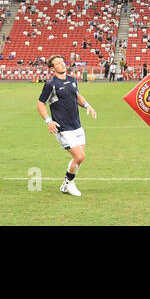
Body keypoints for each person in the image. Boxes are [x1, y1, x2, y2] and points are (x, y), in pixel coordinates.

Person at [36, 55, 98, 197]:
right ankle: (69, 183)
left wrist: (88, 106)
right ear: (52, 68)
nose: (62, 64)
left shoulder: (72, 80)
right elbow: (40, 104)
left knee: (79, 158)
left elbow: (76, 96)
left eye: (62, 62)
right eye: (58, 63)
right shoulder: (51, 84)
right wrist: (48, 121)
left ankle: (66, 183)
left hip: (77, 125)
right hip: (63, 128)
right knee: (79, 156)